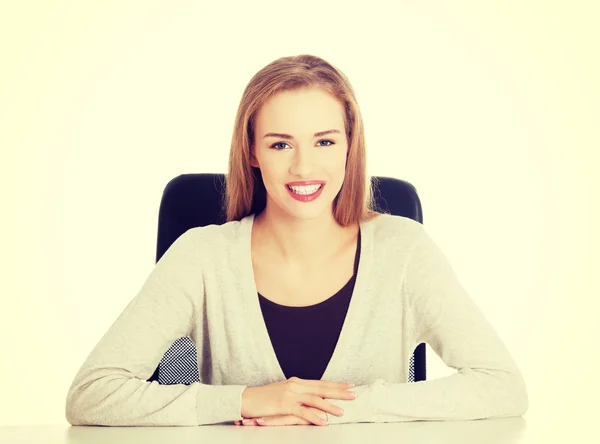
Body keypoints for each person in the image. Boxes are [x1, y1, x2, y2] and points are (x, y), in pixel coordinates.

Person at [65, 54, 528, 427]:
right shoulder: (201, 256)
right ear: (252, 152)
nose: (304, 168)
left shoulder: (403, 250)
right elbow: (91, 394)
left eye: (324, 142)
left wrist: (336, 410)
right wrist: (248, 401)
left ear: (350, 145)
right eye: (280, 144)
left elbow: (503, 386)